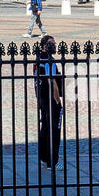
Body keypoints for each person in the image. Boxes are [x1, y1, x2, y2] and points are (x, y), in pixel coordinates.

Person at [33, 35, 64, 169]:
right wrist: (58, 101)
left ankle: (44, 157)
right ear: (45, 46)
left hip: (42, 98)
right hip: (50, 99)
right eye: (52, 44)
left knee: (45, 128)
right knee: (54, 131)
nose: (55, 46)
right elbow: (51, 81)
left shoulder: (38, 59)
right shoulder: (47, 61)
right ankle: (53, 161)